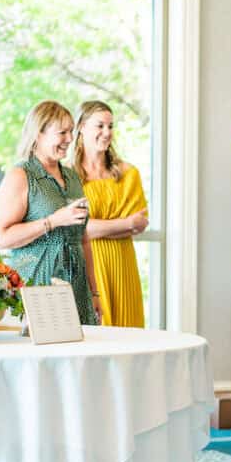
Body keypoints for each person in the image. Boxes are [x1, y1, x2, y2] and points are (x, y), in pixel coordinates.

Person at [0, 100, 101, 326]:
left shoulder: (72, 177)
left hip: (77, 290)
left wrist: (95, 292)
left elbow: (84, 240)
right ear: (38, 135)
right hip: (38, 288)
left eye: (71, 131)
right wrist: (52, 221)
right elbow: (1, 237)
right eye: (62, 132)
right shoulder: (21, 176)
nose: (70, 139)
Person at [73, 100, 149, 328]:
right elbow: (76, 228)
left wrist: (95, 226)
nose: (107, 133)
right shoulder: (69, 176)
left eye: (111, 126)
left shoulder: (128, 173)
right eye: (100, 126)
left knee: (128, 332)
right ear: (81, 127)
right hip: (88, 264)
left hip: (123, 263)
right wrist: (125, 223)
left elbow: (141, 222)